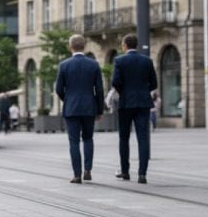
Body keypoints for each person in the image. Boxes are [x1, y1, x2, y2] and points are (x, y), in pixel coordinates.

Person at [55, 34, 104, 183]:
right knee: (88, 138)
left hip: (71, 109)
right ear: (85, 46)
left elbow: (58, 89)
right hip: (89, 108)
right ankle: (87, 170)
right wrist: (99, 109)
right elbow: (100, 90)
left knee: (74, 142)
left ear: (71, 47)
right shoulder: (94, 64)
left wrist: (68, 100)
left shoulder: (64, 65)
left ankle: (77, 175)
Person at [112, 33, 157, 184]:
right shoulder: (147, 61)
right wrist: (144, 91)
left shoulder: (119, 60)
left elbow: (115, 82)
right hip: (143, 102)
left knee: (124, 138)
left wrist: (124, 92)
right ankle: (142, 174)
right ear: (136, 45)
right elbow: (154, 84)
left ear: (125, 45)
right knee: (143, 138)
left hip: (126, 103)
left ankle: (125, 171)